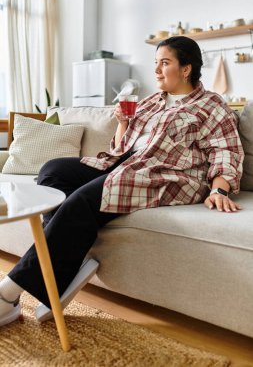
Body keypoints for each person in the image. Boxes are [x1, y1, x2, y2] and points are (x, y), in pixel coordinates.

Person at [0, 36, 244, 326]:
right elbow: (121, 147)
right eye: (155, 63)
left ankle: (8, 295)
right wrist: (124, 123)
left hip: (165, 173)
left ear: (186, 68)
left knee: (85, 199)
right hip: (125, 162)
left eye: (164, 63)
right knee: (54, 171)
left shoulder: (211, 105)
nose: (156, 70)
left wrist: (219, 188)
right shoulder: (153, 101)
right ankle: (64, 261)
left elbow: (226, 150)